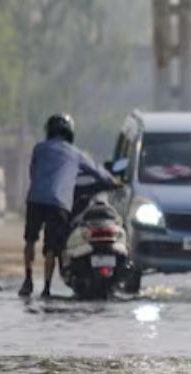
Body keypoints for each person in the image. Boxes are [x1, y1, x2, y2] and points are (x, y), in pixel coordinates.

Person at [20, 114, 118, 298]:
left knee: (30, 241)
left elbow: (33, 173)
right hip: (58, 203)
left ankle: (27, 280)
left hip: (35, 199)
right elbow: (97, 172)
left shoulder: (39, 149)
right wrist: (114, 181)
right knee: (51, 248)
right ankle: (47, 288)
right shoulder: (74, 153)